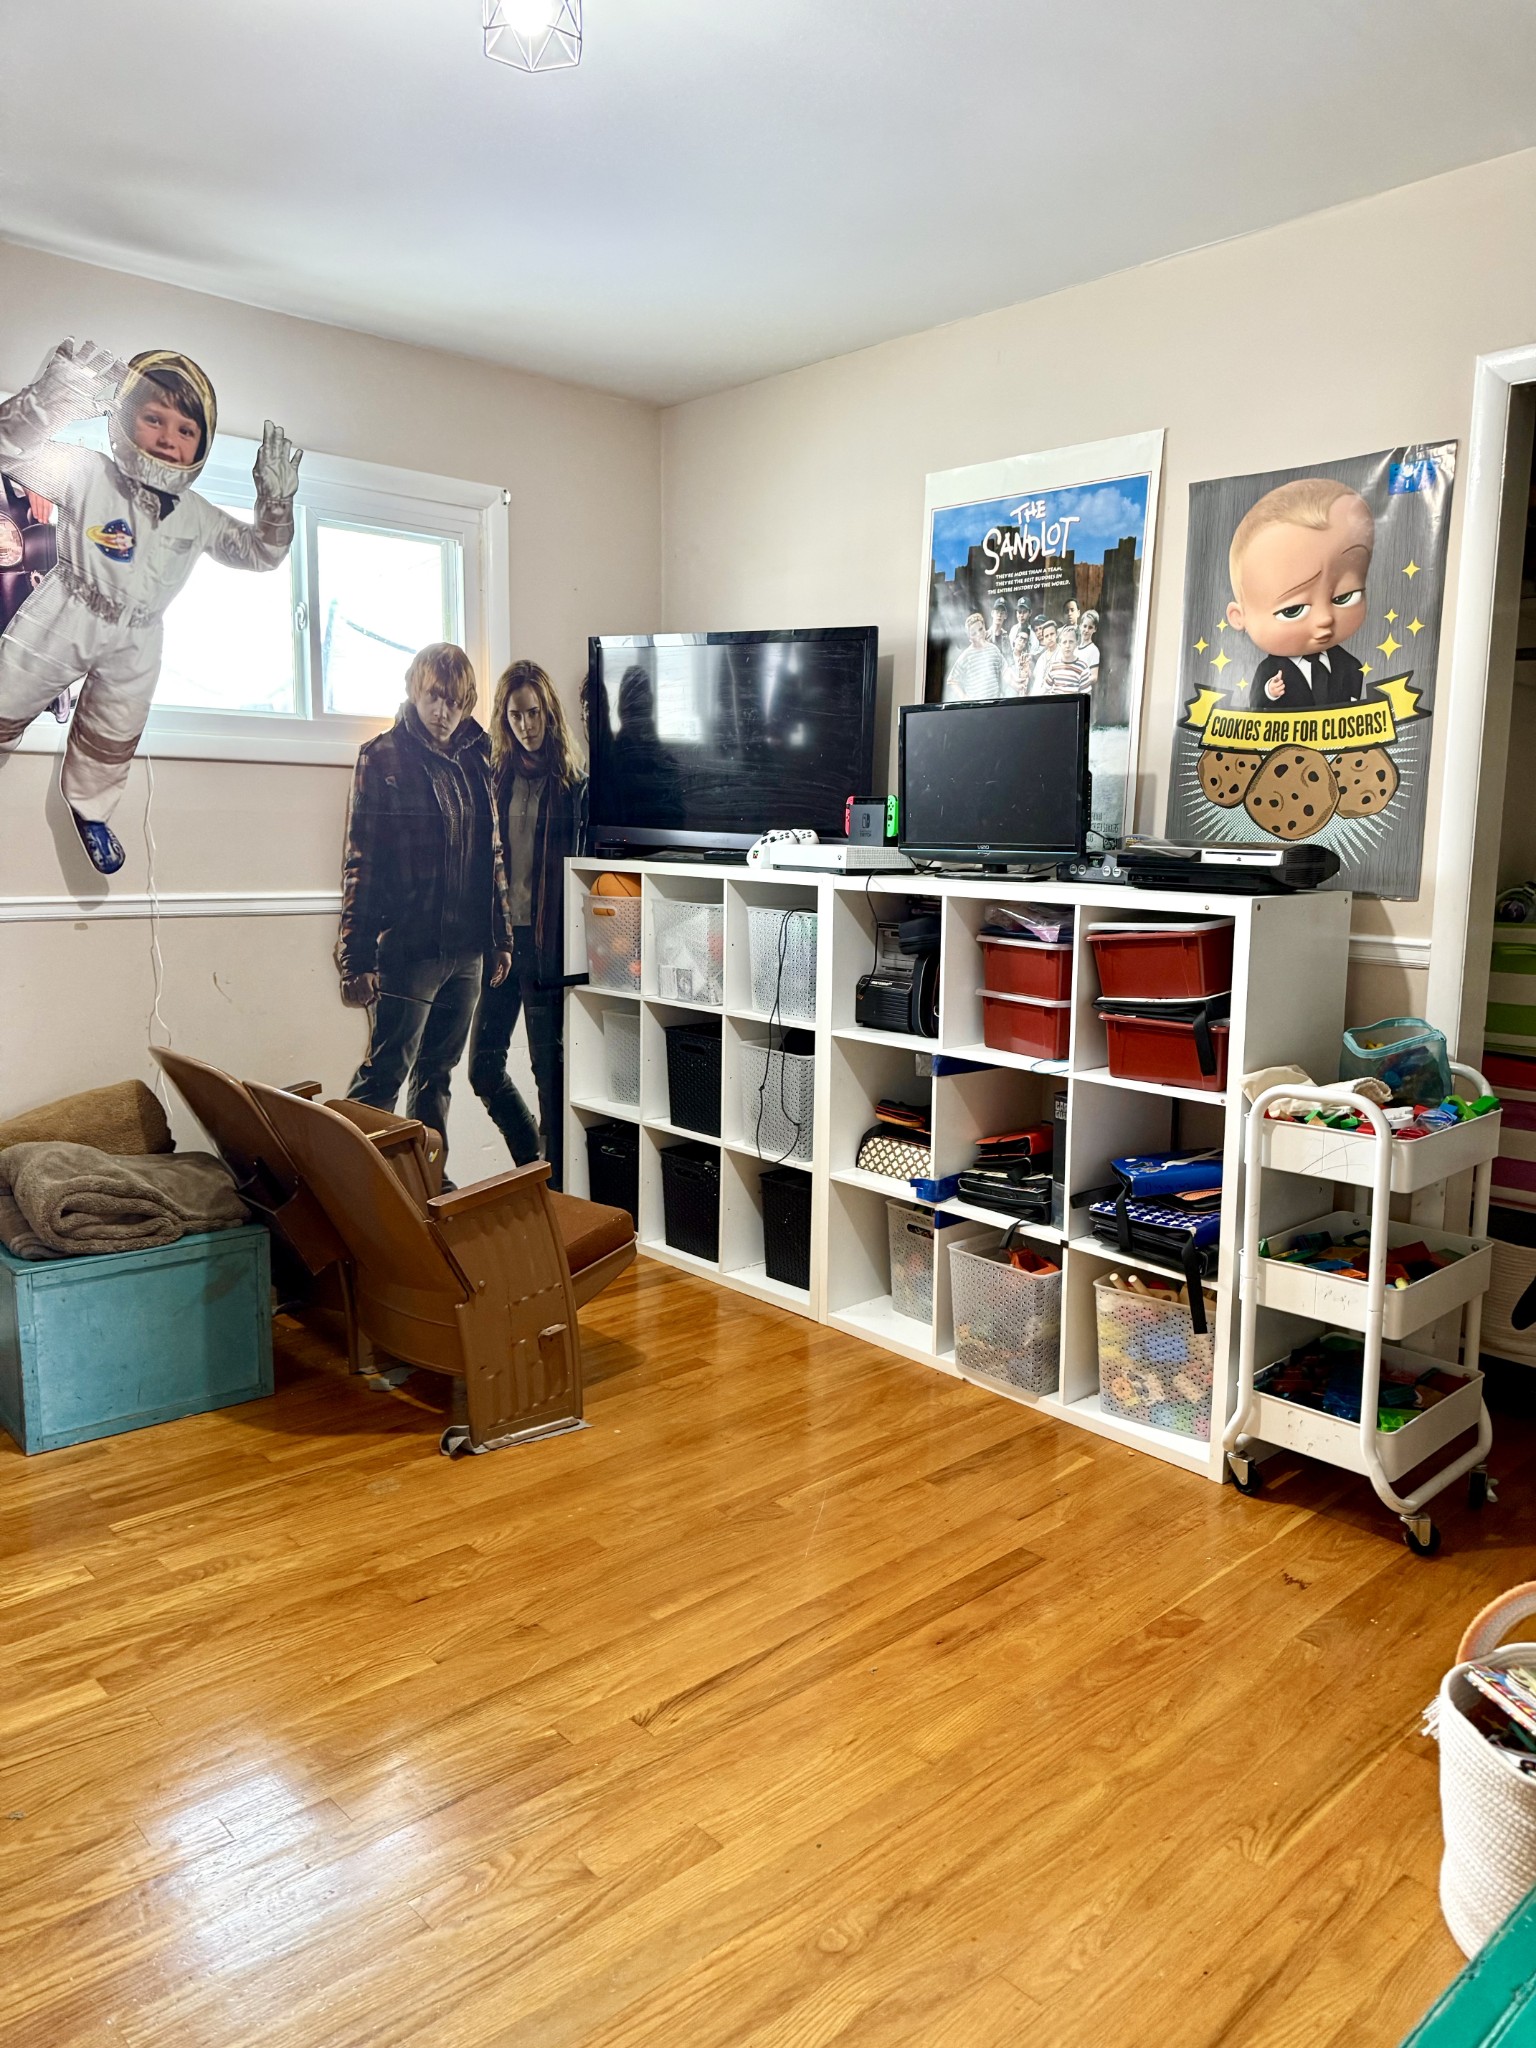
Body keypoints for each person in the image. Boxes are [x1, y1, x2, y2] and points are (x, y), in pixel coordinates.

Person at [0, 339, 300, 874]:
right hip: (70, 609)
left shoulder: (198, 514)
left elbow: (261, 553)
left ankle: (90, 810)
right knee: (7, 695)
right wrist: (55, 398)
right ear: (122, 419)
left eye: (186, 430)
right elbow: (7, 450)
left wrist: (276, 504)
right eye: (154, 419)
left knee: (113, 733)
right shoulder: (87, 472)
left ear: (202, 445)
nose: (168, 439)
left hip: (140, 637)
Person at [337, 644, 510, 1172]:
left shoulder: (480, 758)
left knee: (437, 1075)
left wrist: (501, 937)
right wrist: (356, 958)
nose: (444, 712)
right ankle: (349, 1183)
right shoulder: (382, 757)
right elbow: (360, 862)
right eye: (435, 697)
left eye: (455, 702)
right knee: (385, 1072)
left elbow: (493, 852)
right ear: (415, 689)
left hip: (467, 951)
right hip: (408, 949)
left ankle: (425, 1184)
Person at [470, 659, 587, 1190]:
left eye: (534, 713)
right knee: (483, 1068)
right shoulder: (494, 780)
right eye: (516, 715)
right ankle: (532, 1164)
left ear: (550, 714)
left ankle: (555, 1194)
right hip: (502, 944)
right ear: (504, 718)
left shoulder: (571, 786)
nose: (526, 725)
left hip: (548, 946)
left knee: (550, 1076)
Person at [1230, 478, 1374, 710]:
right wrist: (1270, 691)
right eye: (1292, 610)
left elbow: (1353, 684)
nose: (1325, 618)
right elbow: (1257, 702)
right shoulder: (1270, 671)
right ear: (1239, 617)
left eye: (1343, 597)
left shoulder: (1347, 664)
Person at [943, 612, 1008, 701]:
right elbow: (952, 680)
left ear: (985, 628)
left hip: (995, 704)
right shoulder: (967, 655)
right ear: (969, 637)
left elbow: (1005, 671)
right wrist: (964, 697)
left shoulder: (993, 649)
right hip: (977, 705)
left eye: (980, 629)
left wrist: (1018, 685)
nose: (979, 634)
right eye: (973, 633)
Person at [1029, 618, 1060, 695]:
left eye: (1052, 634)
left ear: (1057, 634)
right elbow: (1036, 680)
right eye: (1046, 636)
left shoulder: (1062, 654)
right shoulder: (1041, 658)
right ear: (1044, 638)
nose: (1049, 638)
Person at [1077, 609, 1102, 684]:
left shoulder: (1093, 650)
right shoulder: (1075, 649)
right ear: (1080, 626)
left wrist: (1079, 683)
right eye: (1084, 626)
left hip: (1083, 690)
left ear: (1095, 629)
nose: (1086, 630)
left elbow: (1094, 677)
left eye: (1090, 627)